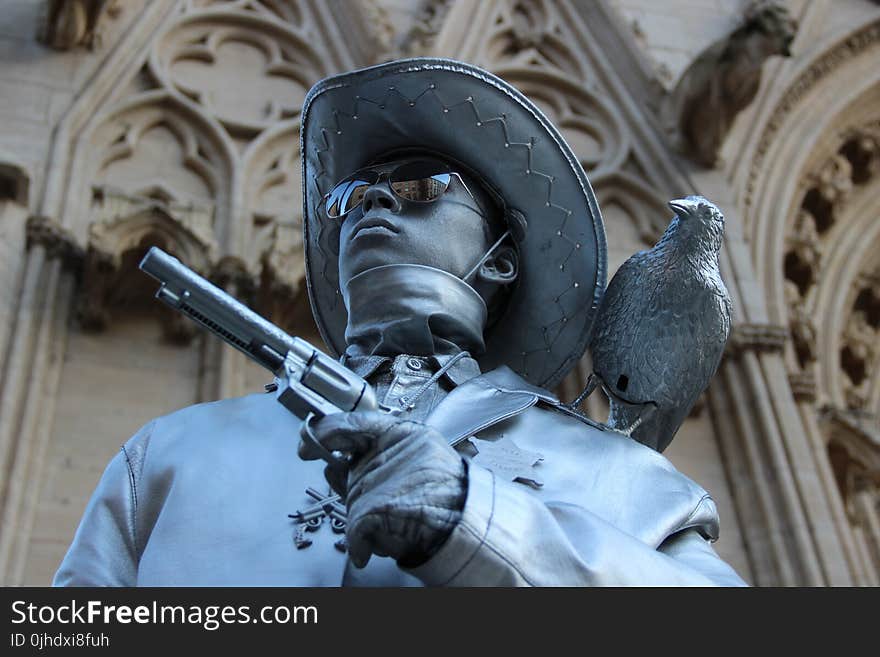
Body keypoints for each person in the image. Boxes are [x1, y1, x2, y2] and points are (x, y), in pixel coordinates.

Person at [53, 58, 746, 586]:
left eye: (419, 186)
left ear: (502, 260)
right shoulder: (172, 454)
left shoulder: (620, 474)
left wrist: (471, 520)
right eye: (350, 196)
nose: (373, 201)